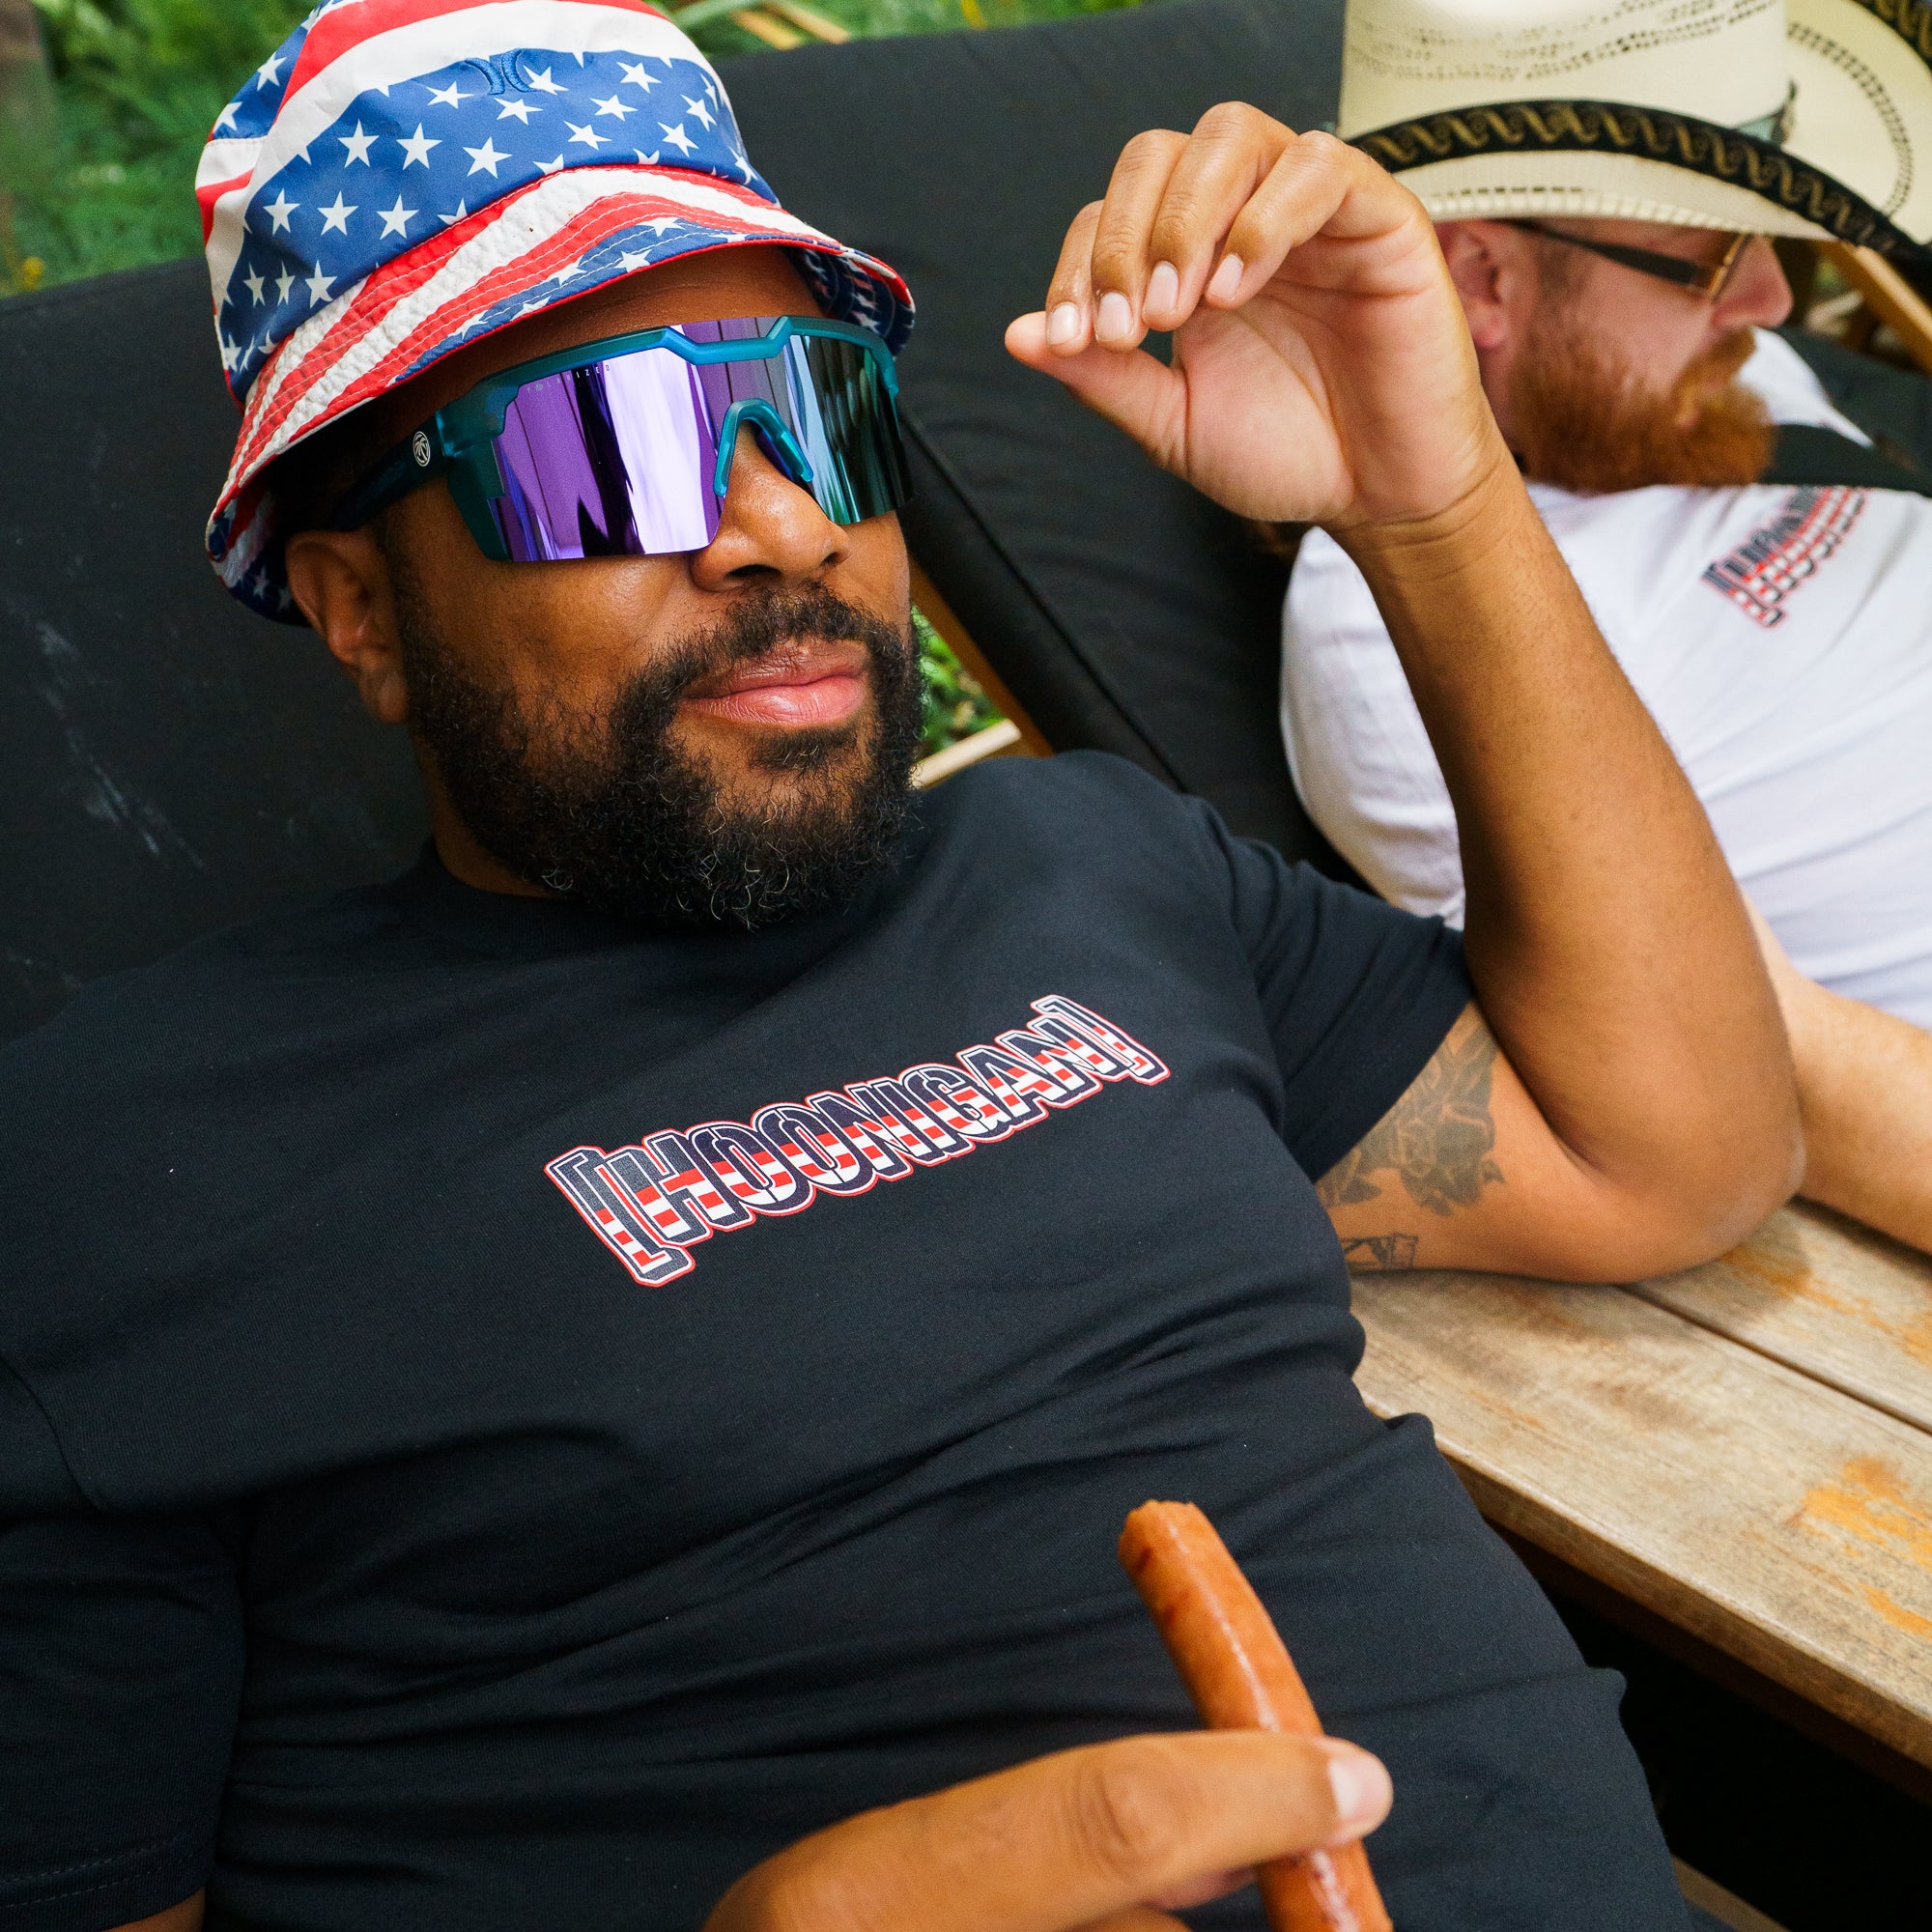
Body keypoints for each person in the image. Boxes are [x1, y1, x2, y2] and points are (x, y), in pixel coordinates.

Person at [0, 5, 1799, 1929]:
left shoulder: (1094, 862)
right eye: (617, 450)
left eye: (821, 406)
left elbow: (1675, 1146)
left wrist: (1426, 498)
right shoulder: (116, 1175)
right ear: (361, 605)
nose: (782, 523)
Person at [1283, 0, 1932, 1253]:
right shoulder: (1398, 631)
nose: (1771, 299)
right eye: (1706, 252)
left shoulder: (1702, 385)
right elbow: (1740, 1061)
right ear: (1481, 277)